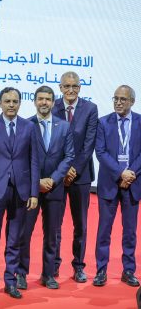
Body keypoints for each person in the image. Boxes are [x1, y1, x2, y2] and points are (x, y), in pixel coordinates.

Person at [0, 87, 40, 299]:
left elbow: (34, 160)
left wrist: (34, 193)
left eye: (15, 101)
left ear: (20, 103)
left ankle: (11, 281)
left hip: (21, 191)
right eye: (7, 101)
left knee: (14, 240)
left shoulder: (29, 127)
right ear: (0, 103)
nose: (11, 105)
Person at [17, 86, 74, 290]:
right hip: (31, 190)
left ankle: (48, 274)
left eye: (48, 99)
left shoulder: (64, 126)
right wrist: (37, 182)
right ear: (34, 101)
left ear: (53, 102)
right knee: (24, 233)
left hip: (55, 188)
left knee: (52, 235)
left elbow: (69, 156)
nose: (44, 102)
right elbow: (21, 158)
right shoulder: (25, 125)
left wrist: (54, 179)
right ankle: (20, 274)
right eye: (40, 98)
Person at [53, 71, 98, 282]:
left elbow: (89, 144)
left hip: (81, 176)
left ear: (80, 88)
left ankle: (79, 266)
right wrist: (63, 170)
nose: (71, 90)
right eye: (67, 86)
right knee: (54, 223)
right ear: (60, 88)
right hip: (58, 175)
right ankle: (53, 265)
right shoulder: (52, 106)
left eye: (75, 86)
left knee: (80, 224)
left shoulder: (90, 109)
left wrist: (74, 169)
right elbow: (51, 143)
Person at [94, 85, 141, 287]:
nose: (118, 102)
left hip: (133, 183)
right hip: (109, 184)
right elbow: (100, 152)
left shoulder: (140, 122)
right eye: (116, 98)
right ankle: (101, 270)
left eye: (123, 99)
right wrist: (121, 172)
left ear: (132, 101)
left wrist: (130, 173)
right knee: (104, 230)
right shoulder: (103, 122)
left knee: (130, 232)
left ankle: (128, 270)